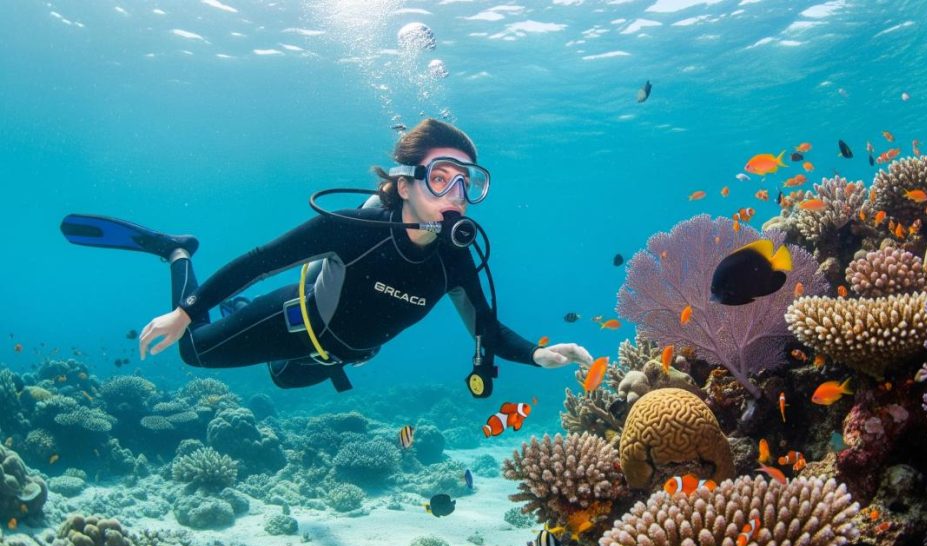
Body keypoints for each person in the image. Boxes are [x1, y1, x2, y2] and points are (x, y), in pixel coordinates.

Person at [61, 118, 593, 392]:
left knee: (283, 380)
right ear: (405, 183)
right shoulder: (353, 229)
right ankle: (177, 252)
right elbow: (259, 261)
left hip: (340, 356)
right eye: (440, 178)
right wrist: (184, 313)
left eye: (466, 183)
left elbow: (487, 330)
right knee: (192, 353)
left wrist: (535, 354)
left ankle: (229, 312)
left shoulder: (455, 259)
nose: (456, 196)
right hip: (297, 321)